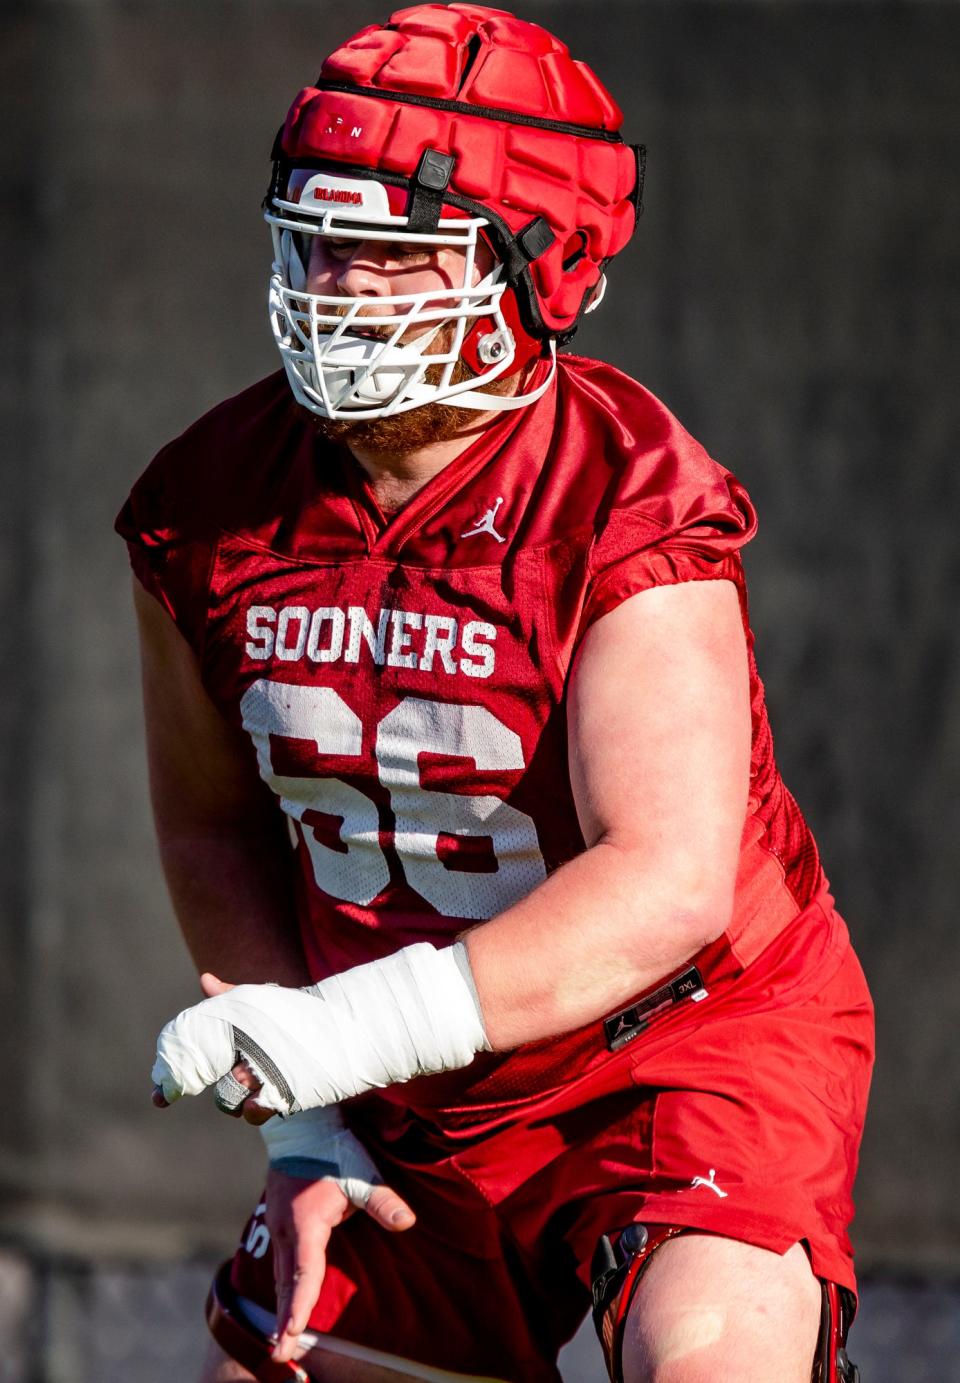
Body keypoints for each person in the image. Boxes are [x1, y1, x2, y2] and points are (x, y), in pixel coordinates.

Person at [118, 6, 874, 1381]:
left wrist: (336, 1036)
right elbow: (212, 828)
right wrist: (308, 1124)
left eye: (394, 256)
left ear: (538, 266)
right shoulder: (205, 507)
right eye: (321, 244)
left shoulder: (626, 497)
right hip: (409, 1074)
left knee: (712, 1361)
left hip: (678, 1040)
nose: (341, 288)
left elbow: (666, 883)